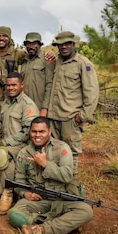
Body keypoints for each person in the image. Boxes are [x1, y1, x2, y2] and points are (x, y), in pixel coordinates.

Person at [7, 116, 93, 234]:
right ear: (30, 132)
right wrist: (25, 193)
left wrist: (46, 164)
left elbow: (67, 175)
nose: (37, 135)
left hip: (62, 199)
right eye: (34, 131)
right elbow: (19, 179)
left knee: (86, 211)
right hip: (39, 201)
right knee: (14, 215)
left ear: (49, 132)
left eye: (41, 131)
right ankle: (66, 223)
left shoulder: (62, 148)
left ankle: (41, 230)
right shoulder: (24, 153)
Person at [48, 31, 99, 176]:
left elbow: (92, 94)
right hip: (54, 116)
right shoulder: (56, 61)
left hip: (70, 117)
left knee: (72, 152)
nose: (63, 47)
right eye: (60, 45)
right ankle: (57, 180)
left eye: (66, 44)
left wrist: (82, 116)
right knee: (54, 150)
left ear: (73, 44)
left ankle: (71, 181)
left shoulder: (83, 64)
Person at [0, 72, 39, 214]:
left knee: (2, 153)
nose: (10, 88)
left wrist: (4, 142)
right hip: (7, 142)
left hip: (22, 146)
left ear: (22, 85)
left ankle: (8, 192)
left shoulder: (27, 105)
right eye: (8, 85)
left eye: (14, 85)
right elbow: (4, 124)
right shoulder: (6, 102)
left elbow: (27, 133)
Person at [0, 26, 27, 140]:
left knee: (7, 130)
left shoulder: (18, 53)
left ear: (9, 37)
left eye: (4, 36)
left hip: (7, 100)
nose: (1, 38)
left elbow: (35, 57)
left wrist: (50, 55)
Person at [21, 32, 55, 117]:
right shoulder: (24, 61)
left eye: (34, 43)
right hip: (24, 106)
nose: (31, 46)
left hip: (39, 106)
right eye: (29, 43)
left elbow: (49, 85)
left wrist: (44, 108)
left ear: (40, 45)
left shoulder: (46, 59)